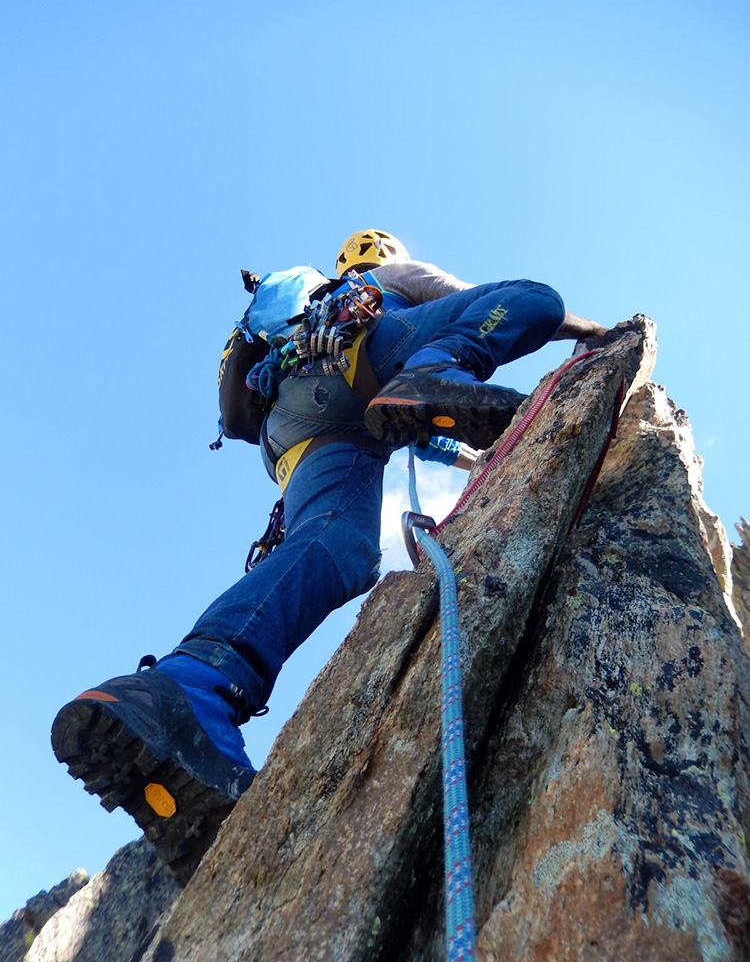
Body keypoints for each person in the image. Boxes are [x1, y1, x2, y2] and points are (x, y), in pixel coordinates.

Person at [52, 229, 608, 883]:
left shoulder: (289, 316)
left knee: (338, 546)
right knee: (533, 298)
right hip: (357, 360)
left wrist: (468, 450)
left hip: (294, 432)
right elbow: (461, 307)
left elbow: (405, 415)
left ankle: (186, 692)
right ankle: (448, 360)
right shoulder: (392, 274)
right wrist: (585, 330)